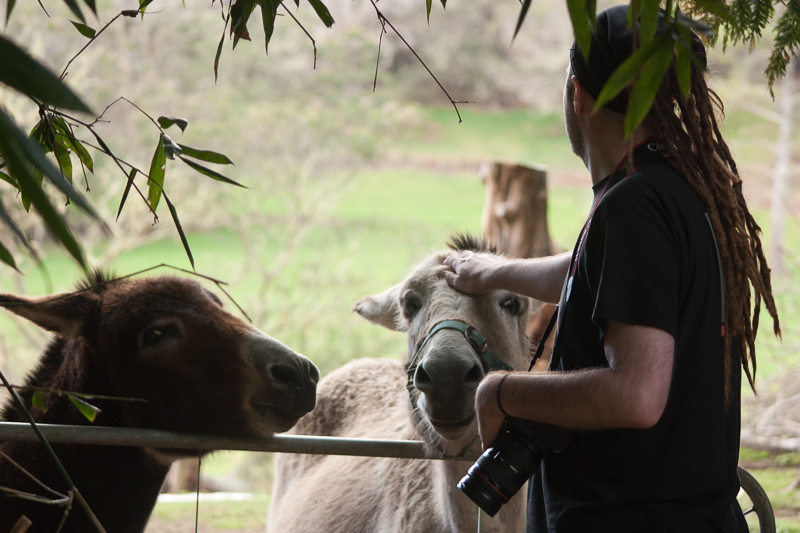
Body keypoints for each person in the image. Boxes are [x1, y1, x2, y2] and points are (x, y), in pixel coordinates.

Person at [441, 5, 781, 532]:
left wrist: (501, 392)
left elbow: (636, 394)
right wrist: (494, 272)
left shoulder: (633, 209)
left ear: (578, 94)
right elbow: (601, 278)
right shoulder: (678, 189)